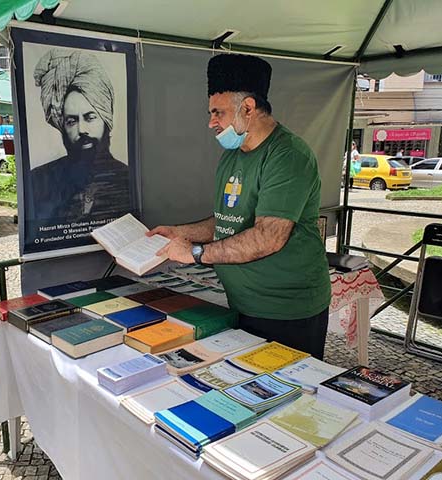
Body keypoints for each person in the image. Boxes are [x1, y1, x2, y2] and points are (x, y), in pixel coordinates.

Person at [149, 54, 331, 359]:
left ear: (247, 107)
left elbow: (268, 237)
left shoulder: (288, 156)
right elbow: (227, 221)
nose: (211, 122)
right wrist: (180, 232)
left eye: (218, 112)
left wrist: (195, 253)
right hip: (242, 304)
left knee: (282, 386)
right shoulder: (232, 155)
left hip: (287, 311)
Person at [31, 48, 131, 220]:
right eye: (72, 121)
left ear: (106, 119)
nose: (82, 129)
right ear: (63, 127)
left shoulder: (128, 179)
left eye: (90, 118)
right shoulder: (39, 180)